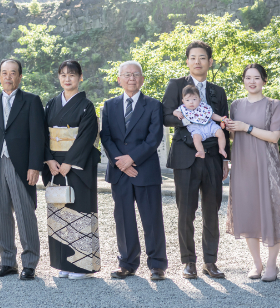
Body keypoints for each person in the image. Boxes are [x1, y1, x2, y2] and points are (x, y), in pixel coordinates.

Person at [162, 40, 230, 279]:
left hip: (213, 157)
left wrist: (226, 159)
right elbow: (166, 117)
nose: (197, 62)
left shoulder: (218, 91)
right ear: (187, 61)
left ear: (210, 62)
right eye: (193, 57)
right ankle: (188, 261)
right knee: (186, 211)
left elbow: (224, 125)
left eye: (202, 58)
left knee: (212, 209)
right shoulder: (176, 85)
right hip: (185, 156)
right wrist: (187, 119)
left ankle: (210, 261)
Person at [224, 64, 280, 282]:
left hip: (266, 163)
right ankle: (256, 263)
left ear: (264, 80)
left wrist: (247, 127)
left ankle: (272, 264)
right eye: (248, 78)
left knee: (271, 210)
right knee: (248, 212)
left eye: (256, 78)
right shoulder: (235, 105)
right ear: (243, 81)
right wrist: (229, 128)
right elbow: (234, 136)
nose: (252, 82)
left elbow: (274, 137)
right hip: (242, 164)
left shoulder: (273, 104)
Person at [100, 61, 168, 281]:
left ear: (142, 79)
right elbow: (106, 137)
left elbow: (154, 137)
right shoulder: (109, 105)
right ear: (118, 79)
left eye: (136, 75)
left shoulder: (153, 105)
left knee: (152, 218)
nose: (131, 78)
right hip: (119, 172)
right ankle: (127, 263)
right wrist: (121, 163)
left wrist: (131, 159)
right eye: (127, 75)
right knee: (123, 218)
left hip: (145, 170)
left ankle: (157, 264)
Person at [0, 58, 45, 281]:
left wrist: (34, 166)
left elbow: (38, 136)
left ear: (20, 76)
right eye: (4, 72)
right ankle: (8, 262)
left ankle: (29, 263)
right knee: (2, 213)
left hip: (22, 165)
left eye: (13, 73)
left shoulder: (31, 101)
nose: (8, 77)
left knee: (25, 212)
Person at [42, 60, 101, 279]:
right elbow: (42, 134)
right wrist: (49, 160)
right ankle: (63, 264)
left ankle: (83, 267)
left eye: (72, 75)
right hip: (55, 167)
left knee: (80, 211)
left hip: (77, 166)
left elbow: (87, 136)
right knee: (59, 212)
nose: (67, 79)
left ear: (80, 77)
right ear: (59, 77)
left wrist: (69, 162)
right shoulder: (51, 104)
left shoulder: (86, 106)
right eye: (63, 75)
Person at [173, 85, 228, 159]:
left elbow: (212, 115)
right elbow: (174, 112)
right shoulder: (183, 108)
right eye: (187, 100)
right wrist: (177, 113)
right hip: (196, 129)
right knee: (196, 138)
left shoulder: (203, 107)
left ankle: (221, 149)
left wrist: (222, 119)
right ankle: (201, 151)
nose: (191, 102)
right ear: (183, 101)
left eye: (194, 99)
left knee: (220, 133)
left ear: (199, 99)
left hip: (209, 126)